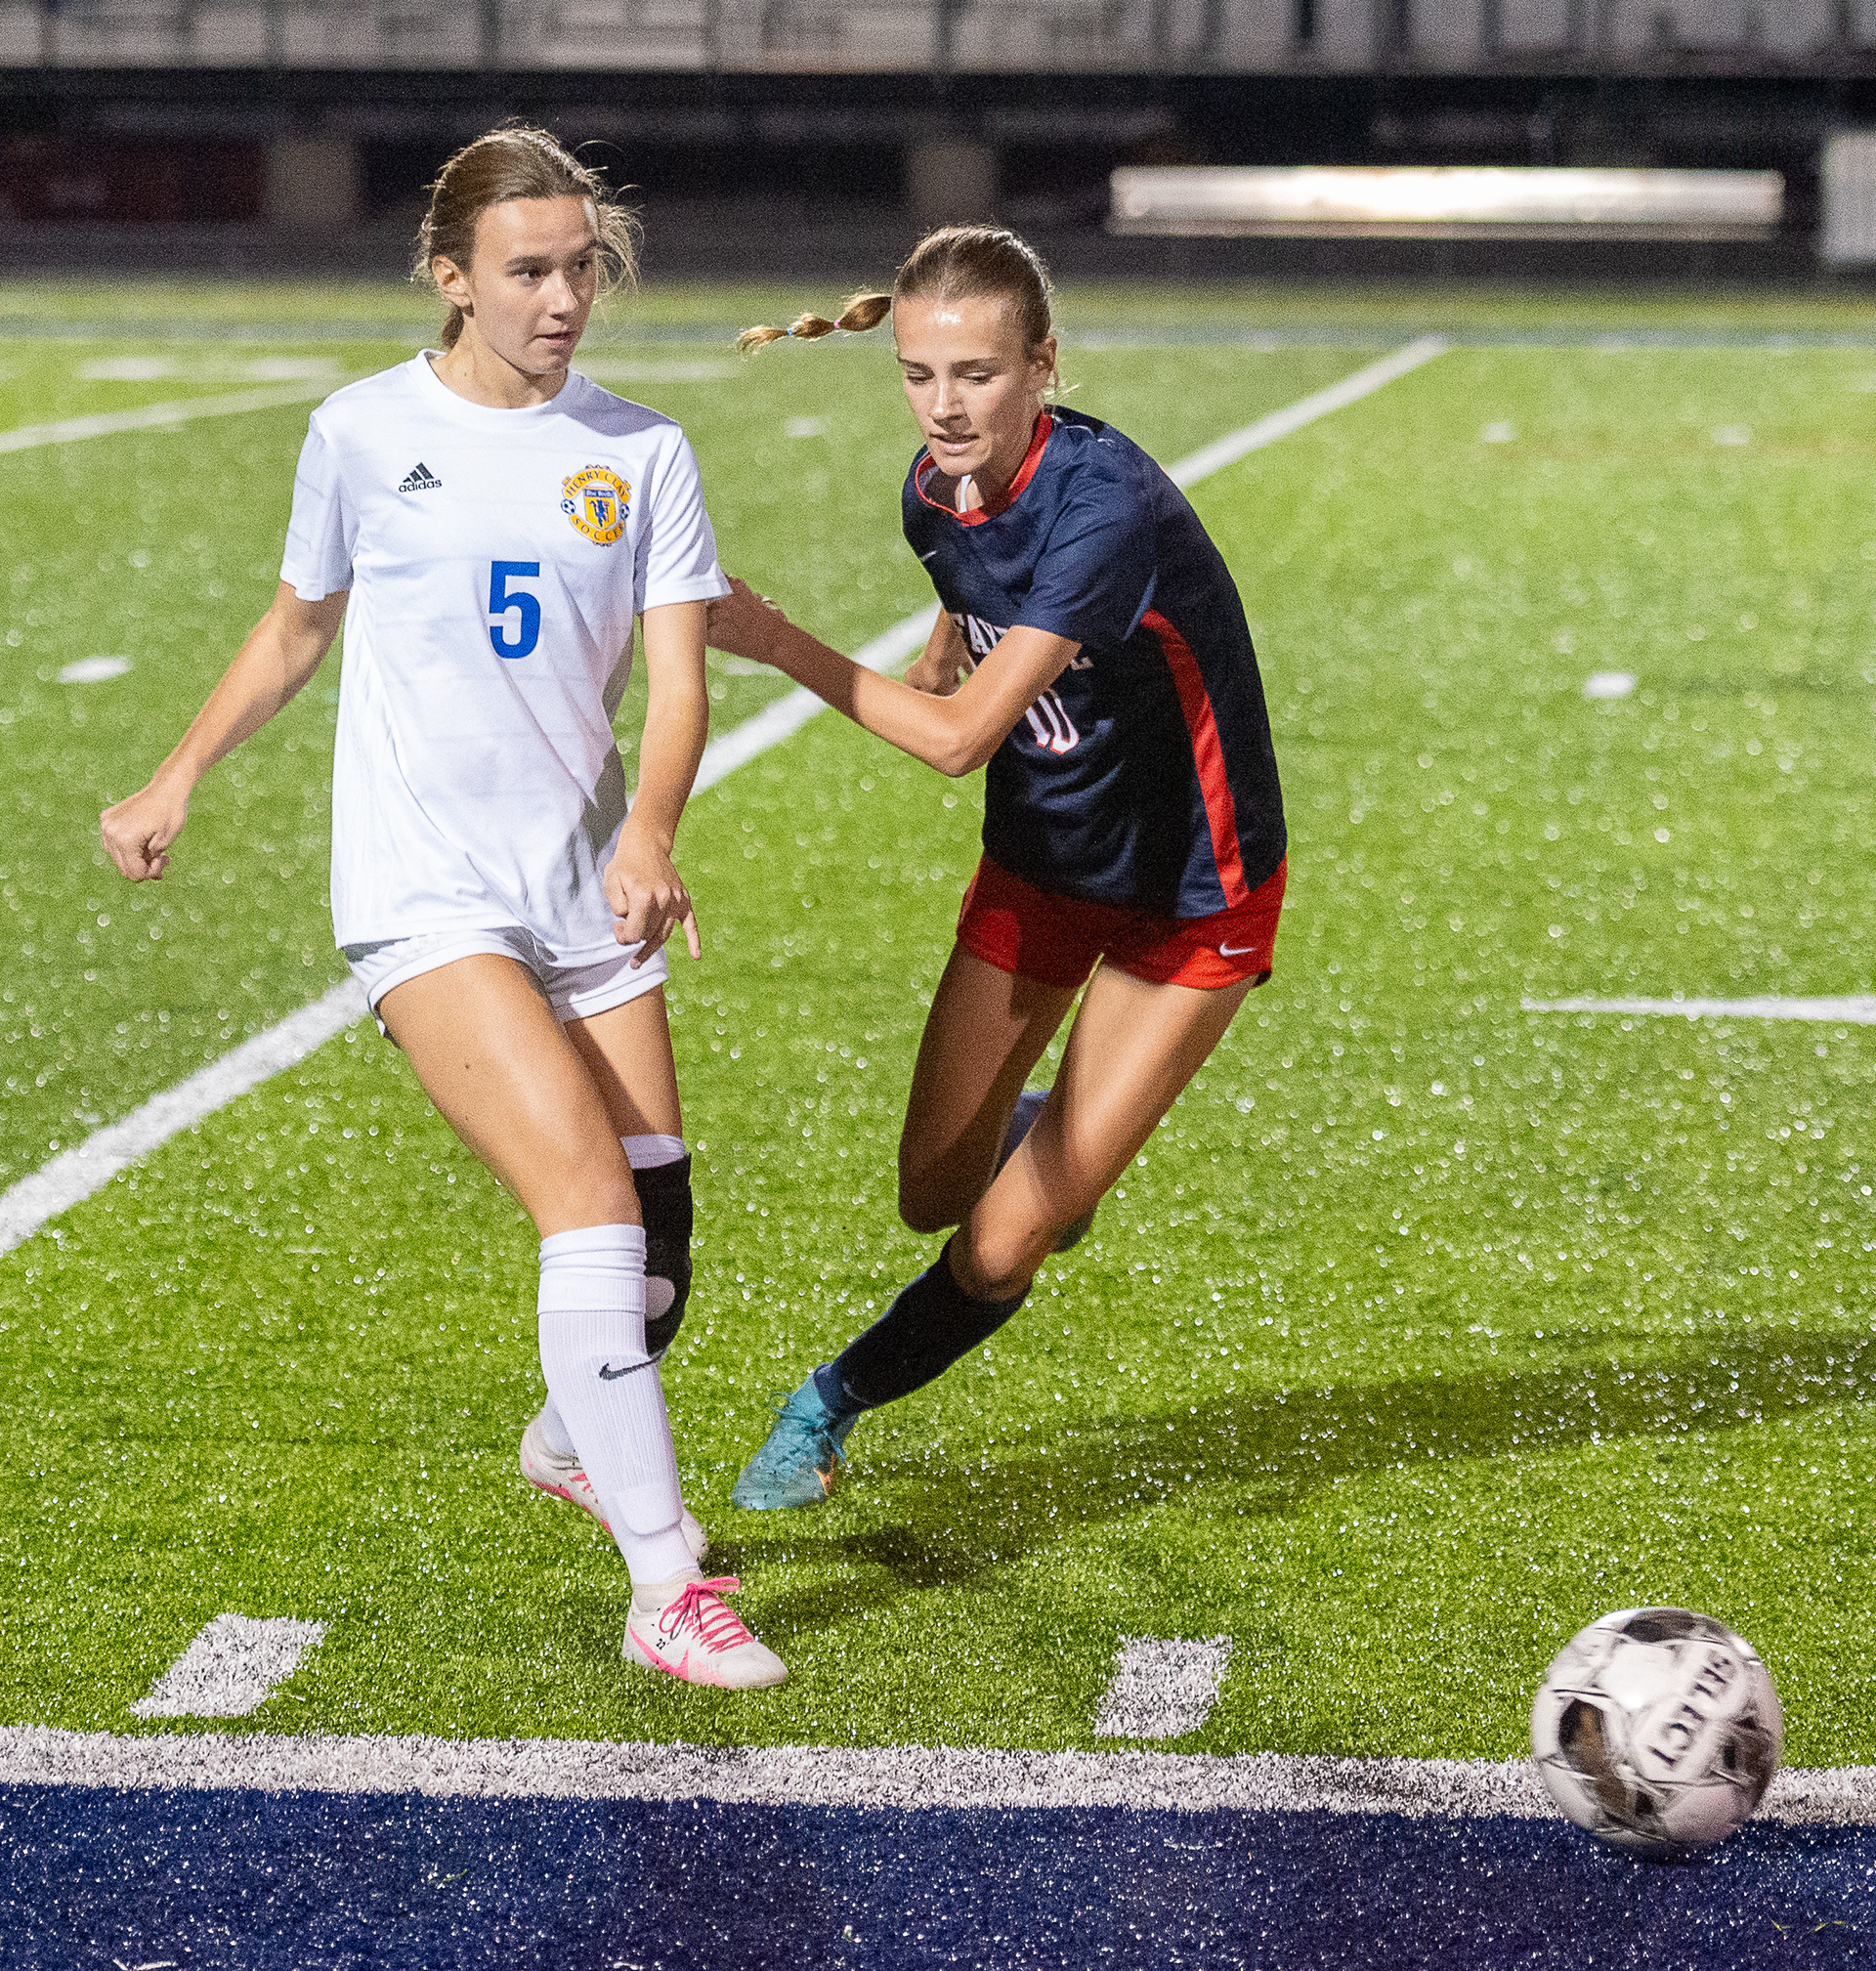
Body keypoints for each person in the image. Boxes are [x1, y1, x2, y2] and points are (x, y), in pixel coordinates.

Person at [98, 125, 786, 1689]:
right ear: (451, 275)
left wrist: (652, 830)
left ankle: (574, 1439)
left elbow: (679, 682)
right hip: (425, 893)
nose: (564, 299)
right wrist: (175, 774)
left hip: (584, 886)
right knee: (589, 1211)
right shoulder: (360, 433)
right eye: (528, 271)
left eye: (581, 268)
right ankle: (664, 1587)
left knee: (657, 1253)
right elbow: (297, 625)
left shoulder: (646, 453)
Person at [709, 225, 1287, 1512]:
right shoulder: (933, 489)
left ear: (1042, 365)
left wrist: (776, 639)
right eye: (920, 375)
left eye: (975, 374)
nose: (945, 406)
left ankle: (829, 1401)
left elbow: (961, 739)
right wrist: (938, 641)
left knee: (1004, 1238)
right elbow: (964, 606)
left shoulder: (1106, 505)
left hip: (1191, 894)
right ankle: (1049, 1135)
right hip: (1041, 861)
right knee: (931, 1193)